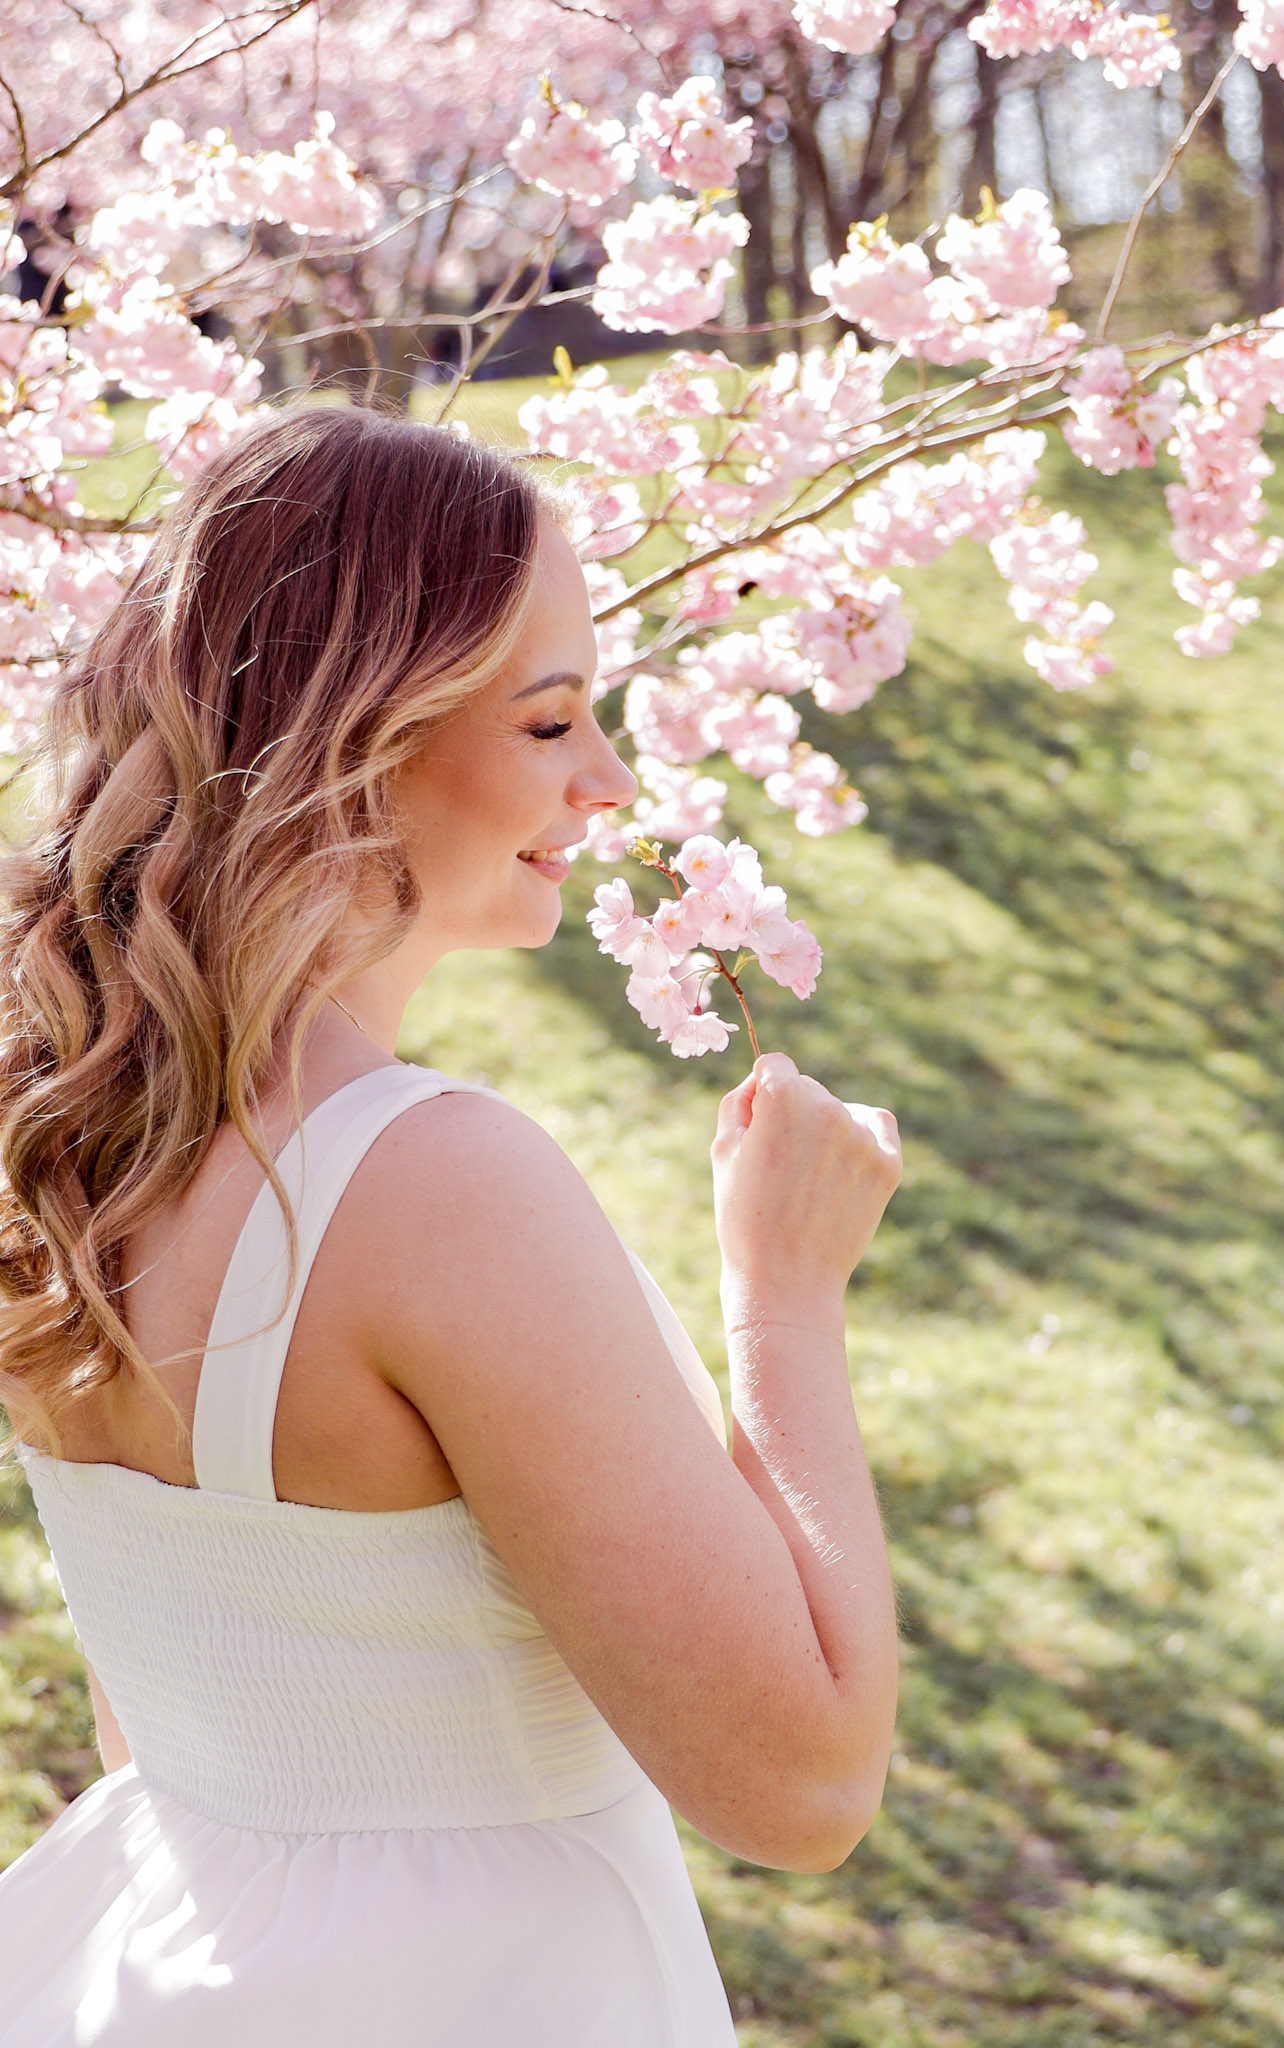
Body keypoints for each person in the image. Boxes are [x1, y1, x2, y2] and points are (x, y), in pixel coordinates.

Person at [0, 404, 901, 2045]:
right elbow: (811, 1782)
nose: (609, 779)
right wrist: (786, 1286)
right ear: (358, 732)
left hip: (163, 1963)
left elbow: (193, 1683)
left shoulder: (66, 1139)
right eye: (552, 720)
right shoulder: (430, 1184)